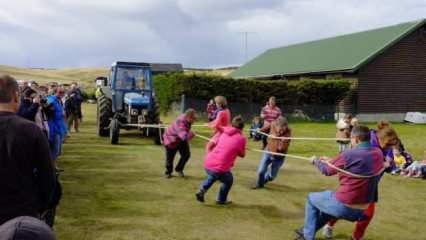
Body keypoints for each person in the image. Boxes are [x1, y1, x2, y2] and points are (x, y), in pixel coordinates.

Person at [295, 126, 384, 240]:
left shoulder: (349, 154)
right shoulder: (378, 153)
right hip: (363, 211)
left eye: (351, 138)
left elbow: (327, 171)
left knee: (311, 199)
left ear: (356, 139)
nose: (350, 141)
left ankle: (307, 237)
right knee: (328, 210)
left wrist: (315, 161)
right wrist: (331, 161)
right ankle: (306, 231)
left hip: (345, 207)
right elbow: (358, 165)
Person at [322, 126, 400, 240]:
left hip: (371, 185)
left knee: (368, 214)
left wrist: (389, 164)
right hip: (356, 184)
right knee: (343, 208)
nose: (390, 148)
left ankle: (356, 237)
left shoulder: (385, 147)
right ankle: (329, 225)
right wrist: (331, 161)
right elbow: (350, 158)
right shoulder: (368, 146)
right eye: (388, 145)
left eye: (391, 146)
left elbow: (391, 165)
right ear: (381, 140)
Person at [0, 75, 56, 225]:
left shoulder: (30, 130)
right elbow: (48, 177)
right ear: (15, 97)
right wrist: (39, 206)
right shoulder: (31, 130)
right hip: (20, 214)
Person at [195, 116, 246, 205]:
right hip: (219, 167)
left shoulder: (224, 132)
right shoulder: (241, 138)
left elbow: (214, 144)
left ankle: (202, 190)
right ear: (242, 128)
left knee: (215, 175)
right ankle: (220, 199)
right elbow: (242, 155)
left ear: (231, 124)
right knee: (228, 180)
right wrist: (242, 148)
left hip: (208, 162)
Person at [253, 116, 291, 189]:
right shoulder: (273, 124)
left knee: (271, 176)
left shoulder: (288, 132)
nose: (281, 131)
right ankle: (259, 185)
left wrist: (281, 140)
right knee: (261, 171)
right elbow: (266, 128)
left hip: (279, 156)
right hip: (268, 151)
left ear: (286, 127)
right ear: (276, 125)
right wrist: (259, 130)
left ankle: (264, 180)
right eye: (280, 129)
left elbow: (281, 148)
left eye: (283, 129)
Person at [163, 109, 197, 178]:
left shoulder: (187, 119)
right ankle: (168, 172)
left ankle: (179, 169)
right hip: (171, 140)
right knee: (170, 158)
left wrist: (189, 133)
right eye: (193, 120)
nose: (194, 122)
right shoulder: (180, 122)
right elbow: (184, 136)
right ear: (189, 117)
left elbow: (183, 135)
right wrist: (191, 134)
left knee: (186, 155)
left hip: (180, 139)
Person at [47, 87, 68, 167]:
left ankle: (54, 165)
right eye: (60, 92)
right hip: (54, 128)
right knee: (55, 149)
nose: (61, 94)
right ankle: (52, 166)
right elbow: (51, 114)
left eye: (63, 92)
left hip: (60, 127)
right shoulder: (51, 101)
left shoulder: (59, 101)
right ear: (55, 92)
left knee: (58, 150)